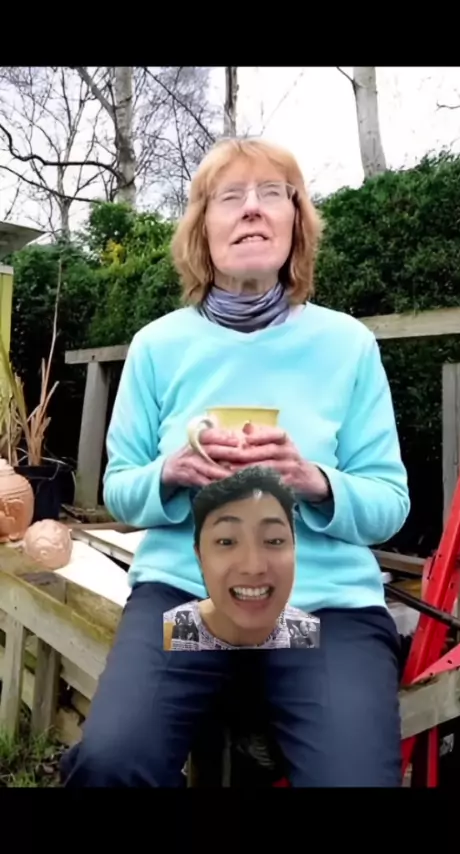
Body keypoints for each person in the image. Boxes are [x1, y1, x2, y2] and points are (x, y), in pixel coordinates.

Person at [60, 136, 410, 788]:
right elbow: (120, 489)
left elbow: (389, 503)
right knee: (112, 763)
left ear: (295, 222)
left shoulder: (347, 345)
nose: (252, 208)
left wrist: (314, 481)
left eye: (271, 193)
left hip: (317, 612)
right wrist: (171, 473)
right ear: (203, 229)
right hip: (192, 605)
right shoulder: (158, 346)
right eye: (230, 197)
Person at [163, 466, 320, 651]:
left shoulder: (308, 635)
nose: (253, 567)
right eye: (226, 541)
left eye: (274, 540)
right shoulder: (171, 632)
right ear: (199, 555)